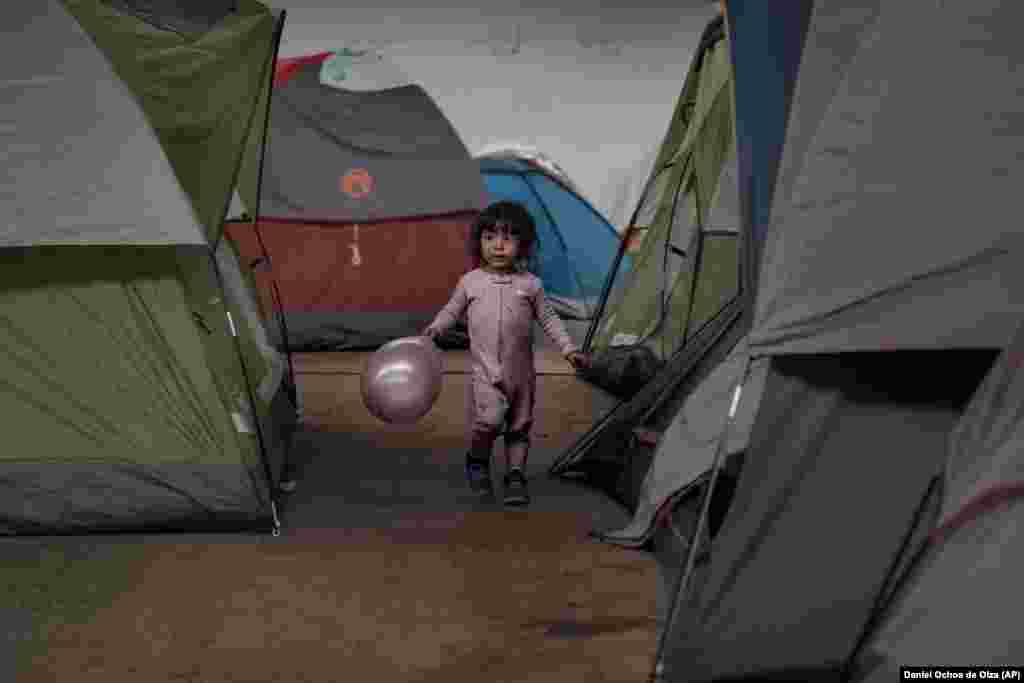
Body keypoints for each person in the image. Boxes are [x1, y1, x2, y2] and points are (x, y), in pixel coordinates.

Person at [424, 201, 589, 506]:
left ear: (523, 244)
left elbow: (550, 319)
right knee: (488, 420)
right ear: (479, 243)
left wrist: (569, 348)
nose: (498, 246)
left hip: (521, 375)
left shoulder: (531, 285)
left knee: (518, 425)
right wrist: (437, 328)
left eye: (508, 238)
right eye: (489, 238)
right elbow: (452, 309)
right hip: (485, 372)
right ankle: (477, 458)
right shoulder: (470, 282)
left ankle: (515, 475)